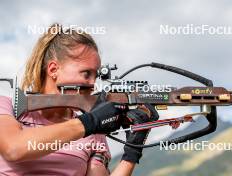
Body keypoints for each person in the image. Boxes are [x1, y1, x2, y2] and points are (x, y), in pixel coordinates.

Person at [0, 23, 159, 176]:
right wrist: (90, 121)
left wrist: (132, 152)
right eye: (86, 74)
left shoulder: (94, 132)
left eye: (95, 76)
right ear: (53, 69)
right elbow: (13, 148)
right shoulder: (8, 106)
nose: (92, 84)